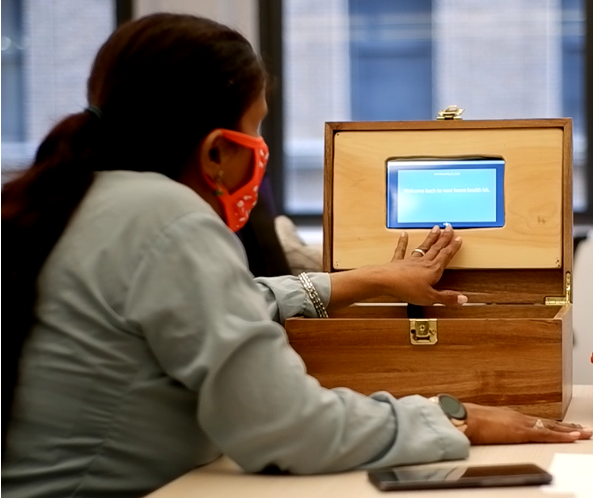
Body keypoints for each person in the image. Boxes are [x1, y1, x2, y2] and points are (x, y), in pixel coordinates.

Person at [1, 13, 590, 498]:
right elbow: (287, 430)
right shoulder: (166, 215)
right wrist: (456, 417)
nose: (260, 155)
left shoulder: (70, 198)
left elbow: (226, 304)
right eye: (256, 132)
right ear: (215, 152)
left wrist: (360, 281)